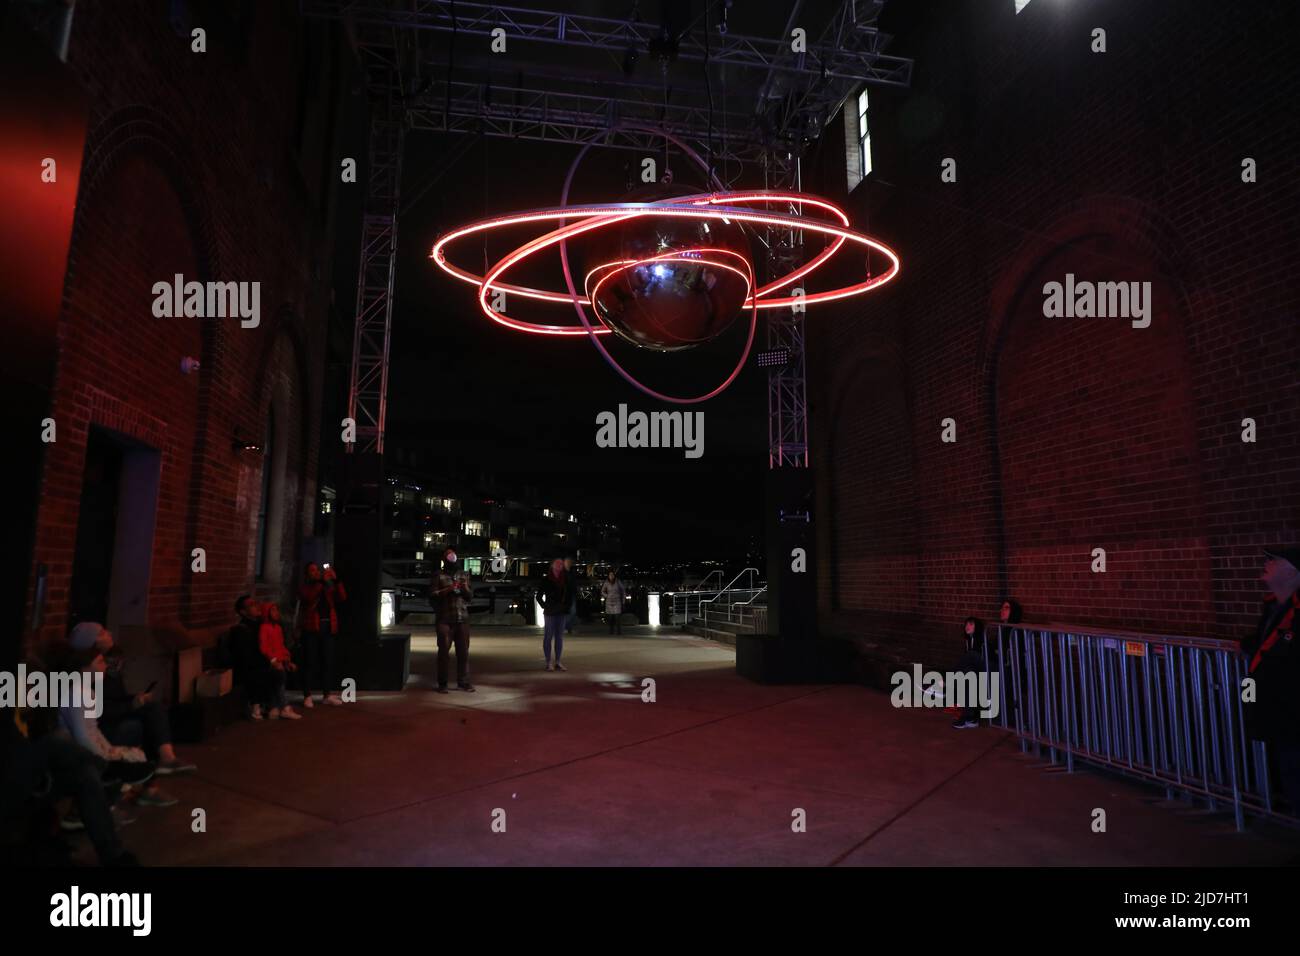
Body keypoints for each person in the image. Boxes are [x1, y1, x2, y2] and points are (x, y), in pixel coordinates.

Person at [73, 622, 196, 778]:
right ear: (92, 644)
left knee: (153, 709)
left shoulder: (109, 665)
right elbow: (96, 713)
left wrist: (135, 699)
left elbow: (115, 697)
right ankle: (143, 782)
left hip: (113, 716)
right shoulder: (88, 675)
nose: (109, 633)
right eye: (102, 633)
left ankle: (167, 758)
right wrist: (130, 705)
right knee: (139, 726)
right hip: (103, 727)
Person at [1240, 546, 1300, 812]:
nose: (1267, 563)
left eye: (1274, 560)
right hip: (1278, 711)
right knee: (1289, 775)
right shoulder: (1274, 607)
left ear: (1293, 571)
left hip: (1292, 711)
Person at [297, 562, 346, 708]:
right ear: (307, 574)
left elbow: (342, 597)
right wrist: (321, 582)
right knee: (309, 662)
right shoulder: (305, 587)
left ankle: (327, 695)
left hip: (328, 627)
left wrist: (336, 580)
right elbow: (309, 597)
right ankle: (307, 695)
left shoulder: (326, 586)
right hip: (311, 628)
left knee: (327, 661)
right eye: (312, 570)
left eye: (317, 570)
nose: (316, 572)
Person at [431, 546, 475, 693]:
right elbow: (432, 595)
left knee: (463, 652)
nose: (451, 557)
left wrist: (464, 588)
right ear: (444, 559)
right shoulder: (438, 575)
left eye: (453, 554)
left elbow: (470, 597)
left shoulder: (464, 574)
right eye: (448, 555)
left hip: (462, 619)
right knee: (443, 652)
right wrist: (447, 590)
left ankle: (464, 682)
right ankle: (442, 683)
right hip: (445, 619)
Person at [228, 595, 273, 719]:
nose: (257, 606)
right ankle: (256, 705)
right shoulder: (241, 630)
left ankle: (273, 704)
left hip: (261, 661)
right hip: (249, 665)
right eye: (252, 605)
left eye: (256, 603)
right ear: (243, 612)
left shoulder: (261, 625)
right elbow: (245, 656)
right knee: (258, 672)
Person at [258, 604, 301, 720]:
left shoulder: (278, 628)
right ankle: (284, 707)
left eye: (277, 610)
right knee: (279, 681)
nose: (276, 613)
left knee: (277, 683)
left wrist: (287, 659)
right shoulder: (264, 628)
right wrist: (273, 661)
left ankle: (273, 707)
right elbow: (264, 647)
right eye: (273, 610)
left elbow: (281, 646)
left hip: (280, 661)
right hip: (270, 663)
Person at [537, 558, 574, 671]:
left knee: (559, 637)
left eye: (561, 564)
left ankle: (558, 661)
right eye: (557, 564)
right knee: (548, 637)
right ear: (552, 565)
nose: (559, 566)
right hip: (550, 612)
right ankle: (548, 662)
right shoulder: (546, 579)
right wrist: (545, 606)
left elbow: (570, 594)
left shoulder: (566, 578)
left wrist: (567, 606)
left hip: (561, 611)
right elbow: (538, 596)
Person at [950, 617, 986, 730]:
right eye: (966, 624)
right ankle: (970, 718)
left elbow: (980, 661)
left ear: (977, 626)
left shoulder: (981, 640)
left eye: (971, 624)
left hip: (984, 671)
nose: (967, 626)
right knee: (966, 678)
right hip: (972, 673)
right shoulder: (968, 641)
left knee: (971, 655)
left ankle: (946, 681)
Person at [601, 569, 627, 635]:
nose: (611, 576)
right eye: (610, 575)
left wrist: (623, 601)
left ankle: (619, 632)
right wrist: (607, 596)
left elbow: (623, 591)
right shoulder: (606, 582)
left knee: (617, 618)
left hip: (617, 601)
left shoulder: (618, 582)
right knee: (610, 618)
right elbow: (602, 591)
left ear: (614, 575)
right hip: (609, 602)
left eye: (612, 575)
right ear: (608, 576)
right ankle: (611, 631)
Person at [564, 556, 579, 634]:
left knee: (573, 611)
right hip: (564, 594)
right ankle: (566, 628)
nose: (569, 564)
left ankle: (569, 627)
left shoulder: (572, 572)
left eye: (570, 562)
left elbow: (574, 583)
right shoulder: (562, 572)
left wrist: (575, 592)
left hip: (571, 594)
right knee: (565, 611)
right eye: (567, 562)